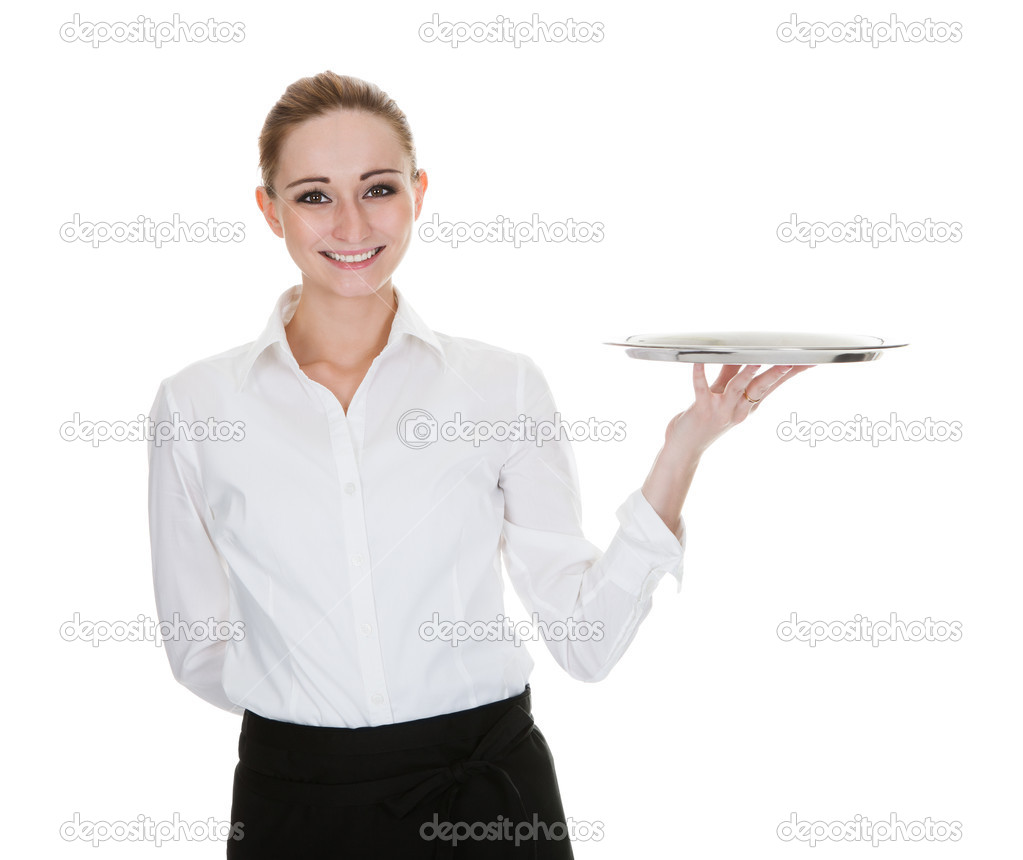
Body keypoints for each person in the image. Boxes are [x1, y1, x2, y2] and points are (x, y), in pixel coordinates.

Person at [147, 71, 811, 858]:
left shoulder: (501, 386)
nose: (352, 222)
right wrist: (312, 715)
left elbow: (585, 642)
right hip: (296, 807)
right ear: (269, 210)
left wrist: (685, 446)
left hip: (487, 803)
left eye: (379, 187)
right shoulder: (196, 405)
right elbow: (196, 645)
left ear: (419, 193)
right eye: (314, 195)